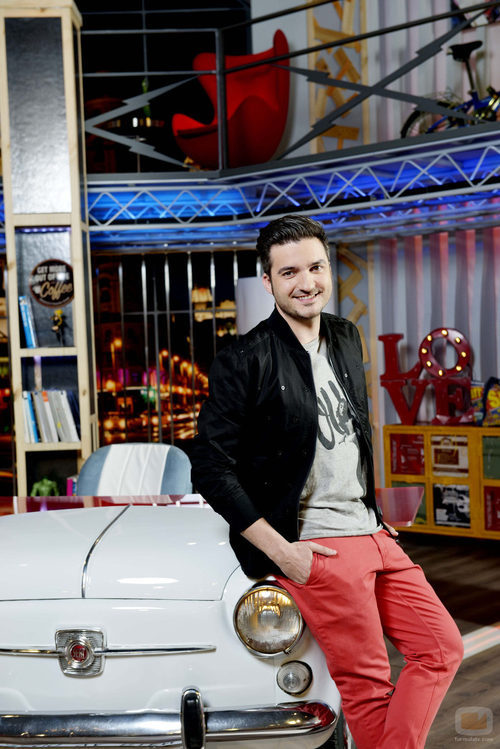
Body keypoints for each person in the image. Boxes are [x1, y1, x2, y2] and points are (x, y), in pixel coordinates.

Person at [191, 214, 463, 749]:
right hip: (319, 546)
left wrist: (375, 516)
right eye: (289, 272)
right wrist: (284, 553)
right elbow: (210, 467)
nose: (306, 282)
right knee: (367, 687)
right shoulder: (244, 359)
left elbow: (353, 435)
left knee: (440, 648)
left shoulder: (344, 335)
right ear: (268, 282)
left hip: (372, 532)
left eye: (316, 267)